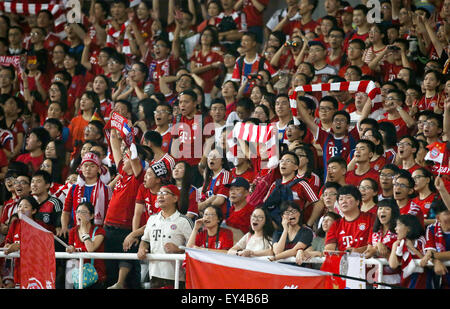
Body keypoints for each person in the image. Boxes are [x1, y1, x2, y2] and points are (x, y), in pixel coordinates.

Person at [137, 185, 193, 289]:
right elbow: (145, 240)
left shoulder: (184, 221)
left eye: (165, 193)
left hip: (176, 276)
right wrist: (141, 249)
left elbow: (195, 249)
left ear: (175, 198)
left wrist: (179, 250)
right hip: (154, 274)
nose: (160, 196)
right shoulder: (152, 219)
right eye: (159, 193)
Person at [66, 202, 107, 289]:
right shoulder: (73, 231)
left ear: (92, 216)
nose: (79, 215)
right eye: (77, 212)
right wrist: (71, 249)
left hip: (95, 277)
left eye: (83, 212)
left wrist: (84, 228)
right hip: (78, 276)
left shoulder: (99, 231)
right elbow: (71, 249)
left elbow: (90, 248)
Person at [2, 196, 40, 288]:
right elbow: (8, 240)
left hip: (35, 269)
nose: (21, 209)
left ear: (34, 210)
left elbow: (38, 246)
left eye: (26, 207)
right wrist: (8, 245)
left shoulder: (39, 226)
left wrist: (19, 246)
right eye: (19, 206)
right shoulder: (15, 224)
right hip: (18, 268)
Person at [324, 185, 375, 253]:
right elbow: (329, 248)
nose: (344, 201)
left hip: (368, 261)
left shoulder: (371, 218)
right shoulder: (336, 224)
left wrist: (357, 251)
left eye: (348, 197)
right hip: (344, 262)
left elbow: (375, 245)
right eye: (341, 199)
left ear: (357, 202)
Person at [363, 198, 401, 287]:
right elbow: (368, 252)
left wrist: (380, 251)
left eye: (387, 209)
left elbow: (397, 259)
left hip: (393, 279)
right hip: (372, 277)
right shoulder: (374, 230)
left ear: (394, 212)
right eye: (380, 208)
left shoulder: (398, 231)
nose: (382, 211)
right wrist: (377, 246)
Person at [389, 214, 429, 289]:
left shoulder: (421, 240)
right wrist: (394, 246)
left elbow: (427, 261)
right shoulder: (400, 243)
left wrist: (412, 248)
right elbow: (393, 265)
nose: (395, 229)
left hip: (423, 283)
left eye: (398, 225)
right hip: (405, 284)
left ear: (409, 228)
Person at [420, 200, 450, 289]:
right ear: (438, 217)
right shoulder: (432, 229)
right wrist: (436, 261)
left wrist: (433, 256)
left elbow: (430, 255)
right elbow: (429, 251)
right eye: (447, 213)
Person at [223, 177, 255, 243]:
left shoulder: (252, 211)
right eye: (231, 189)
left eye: (237, 189)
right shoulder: (231, 209)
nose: (232, 192)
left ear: (246, 193)